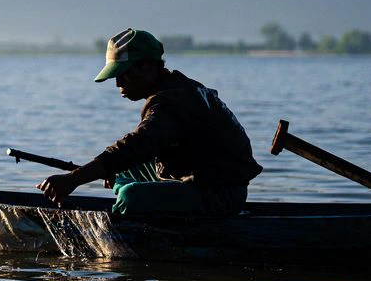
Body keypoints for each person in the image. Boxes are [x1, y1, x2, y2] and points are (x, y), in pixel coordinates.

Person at [37, 27, 263, 215]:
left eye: (124, 74)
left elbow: (137, 144)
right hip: (201, 177)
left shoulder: (172, 100)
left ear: (148, 67)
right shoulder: (178, 86)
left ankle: (123, 226)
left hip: (220, 194)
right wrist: (103, 171)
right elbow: (142, 149)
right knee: (124, 170)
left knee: (131, 195)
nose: (118, 84)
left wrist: (73, 179)